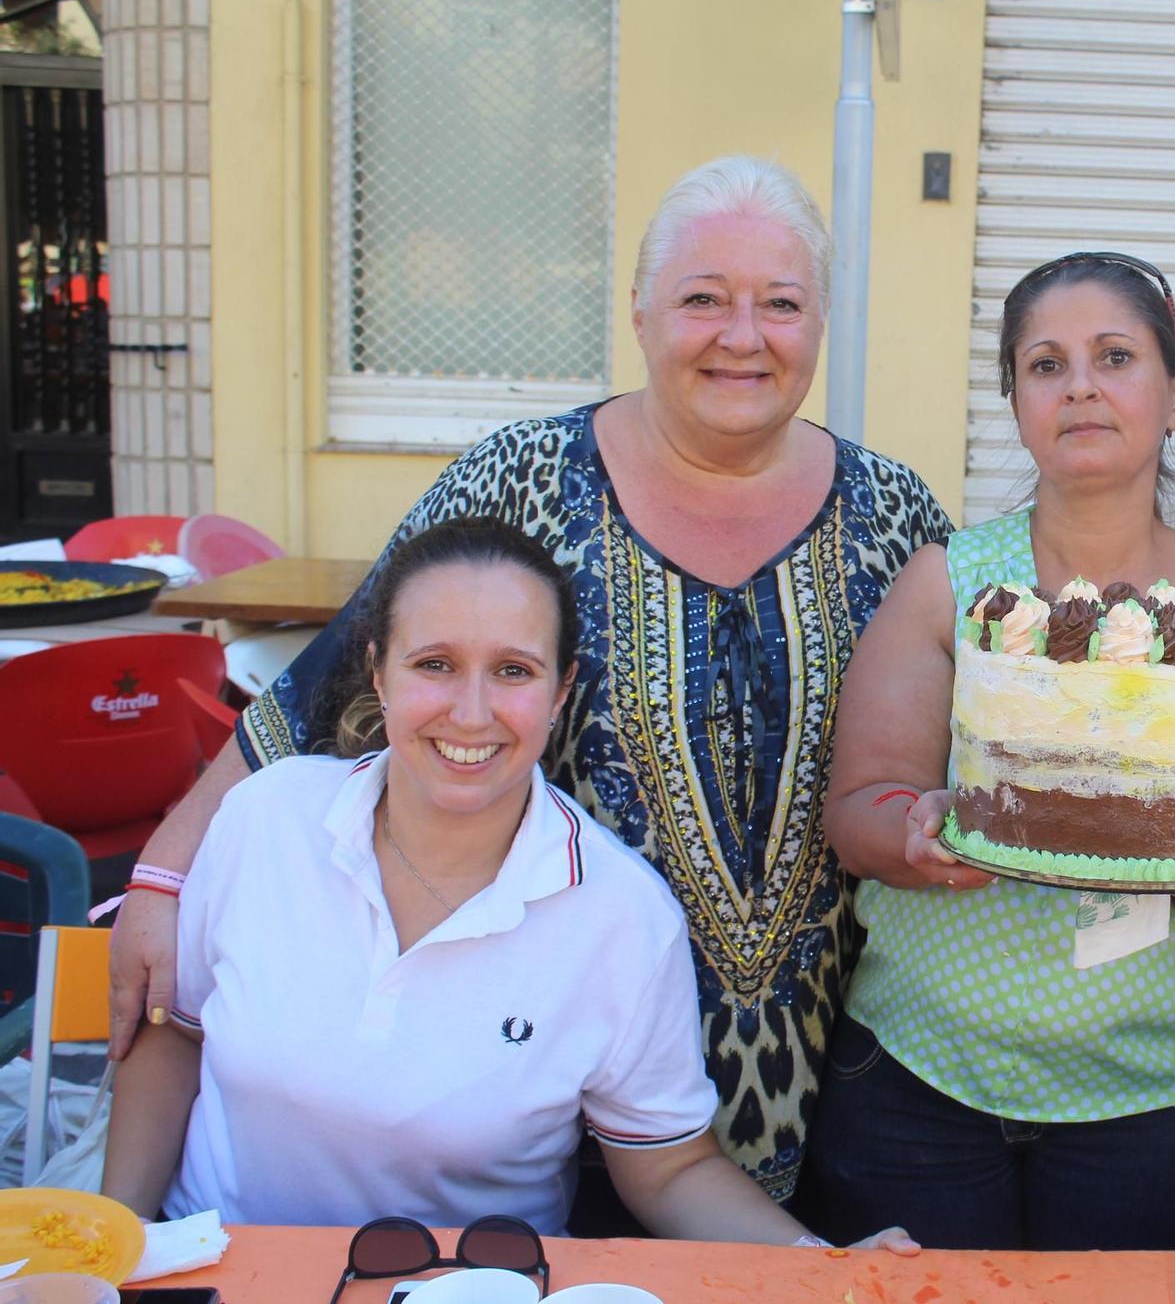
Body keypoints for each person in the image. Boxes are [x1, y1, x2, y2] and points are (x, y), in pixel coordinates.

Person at [106, 156, 953, 1217]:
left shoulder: (895, 514)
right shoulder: (521, 478)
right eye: (701, 299)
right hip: (542, 1098)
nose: (742, 336)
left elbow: (974, 749)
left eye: (779, 304)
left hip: (846, 1078)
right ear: (639, 313)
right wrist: (163, 878)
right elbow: (322, 695)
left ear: (819, 322)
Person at [100, 517, 914, 1252]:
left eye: (514, 670)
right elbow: (176, 1033)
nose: (472, 710)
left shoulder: (621, 915)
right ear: (378, 673)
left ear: (560, 693)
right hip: (221, 1267)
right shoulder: (267, 817)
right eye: (436, 664)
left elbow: (668, 1171)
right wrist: (119, 1241)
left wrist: (821, 1266)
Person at [804, 252, 1175, 1250]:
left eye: (1115, 357)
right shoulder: (954, 586)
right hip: (917, 1088)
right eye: (1045, 364)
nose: (1080, 388)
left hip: (1148, 1109)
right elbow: (859, 812)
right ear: (1015, 400)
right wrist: (921, 832)